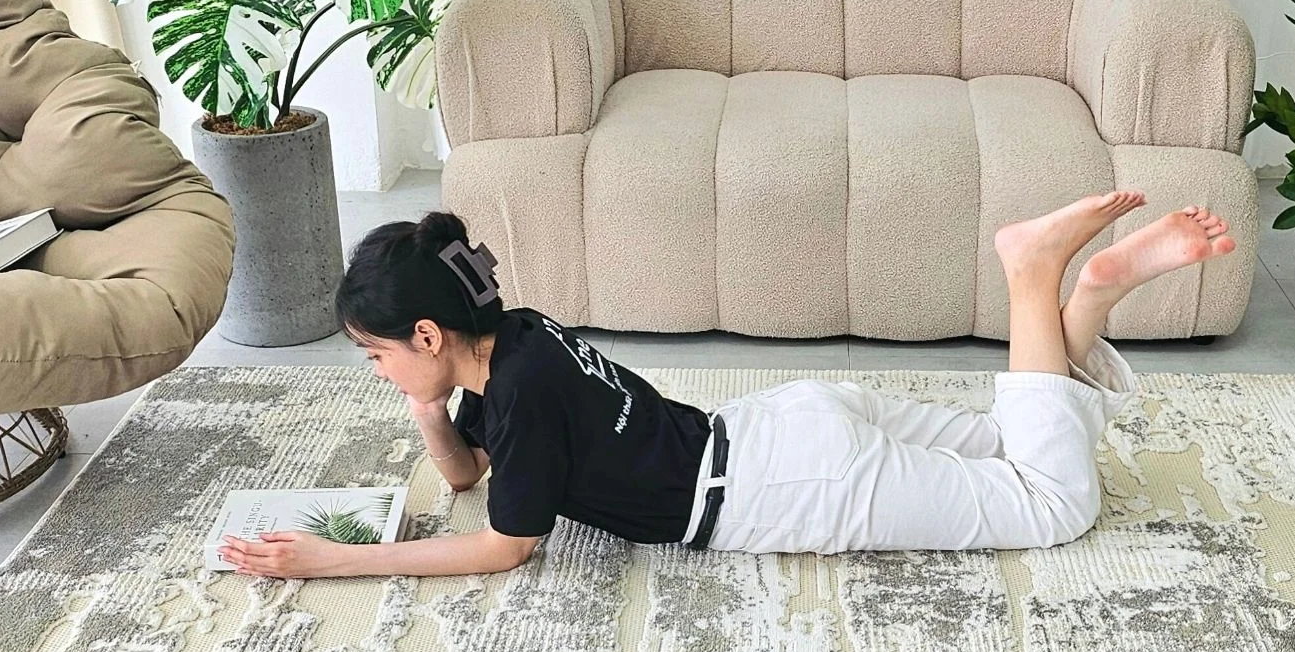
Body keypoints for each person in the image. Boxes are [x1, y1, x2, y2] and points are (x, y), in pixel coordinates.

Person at [216, 192, 1233, 578]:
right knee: (1017, 444)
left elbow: (500, 545)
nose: (379, 371)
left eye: (379, 354)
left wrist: (334, 561)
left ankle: (1034, 274)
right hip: (786, 424)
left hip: (783, 487)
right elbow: (467, 474)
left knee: (1049, 504)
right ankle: (1092, 295)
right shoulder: (517, 340)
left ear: (429, 333)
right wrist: (426, 408)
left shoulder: (518, 397)